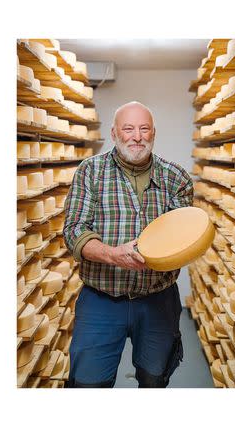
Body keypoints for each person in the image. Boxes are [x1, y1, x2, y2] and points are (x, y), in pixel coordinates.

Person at [63, 101, 193, 388]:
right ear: (114, 133)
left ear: (154, 133)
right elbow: (74, 230)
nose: (137, 136)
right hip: (102, 299)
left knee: (155, 377)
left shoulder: (176, 177)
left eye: (144, 129)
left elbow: (182, 237)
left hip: (157, 297)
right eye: (129, 129)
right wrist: (112, 255)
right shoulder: (90, 172)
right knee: (88, 384)